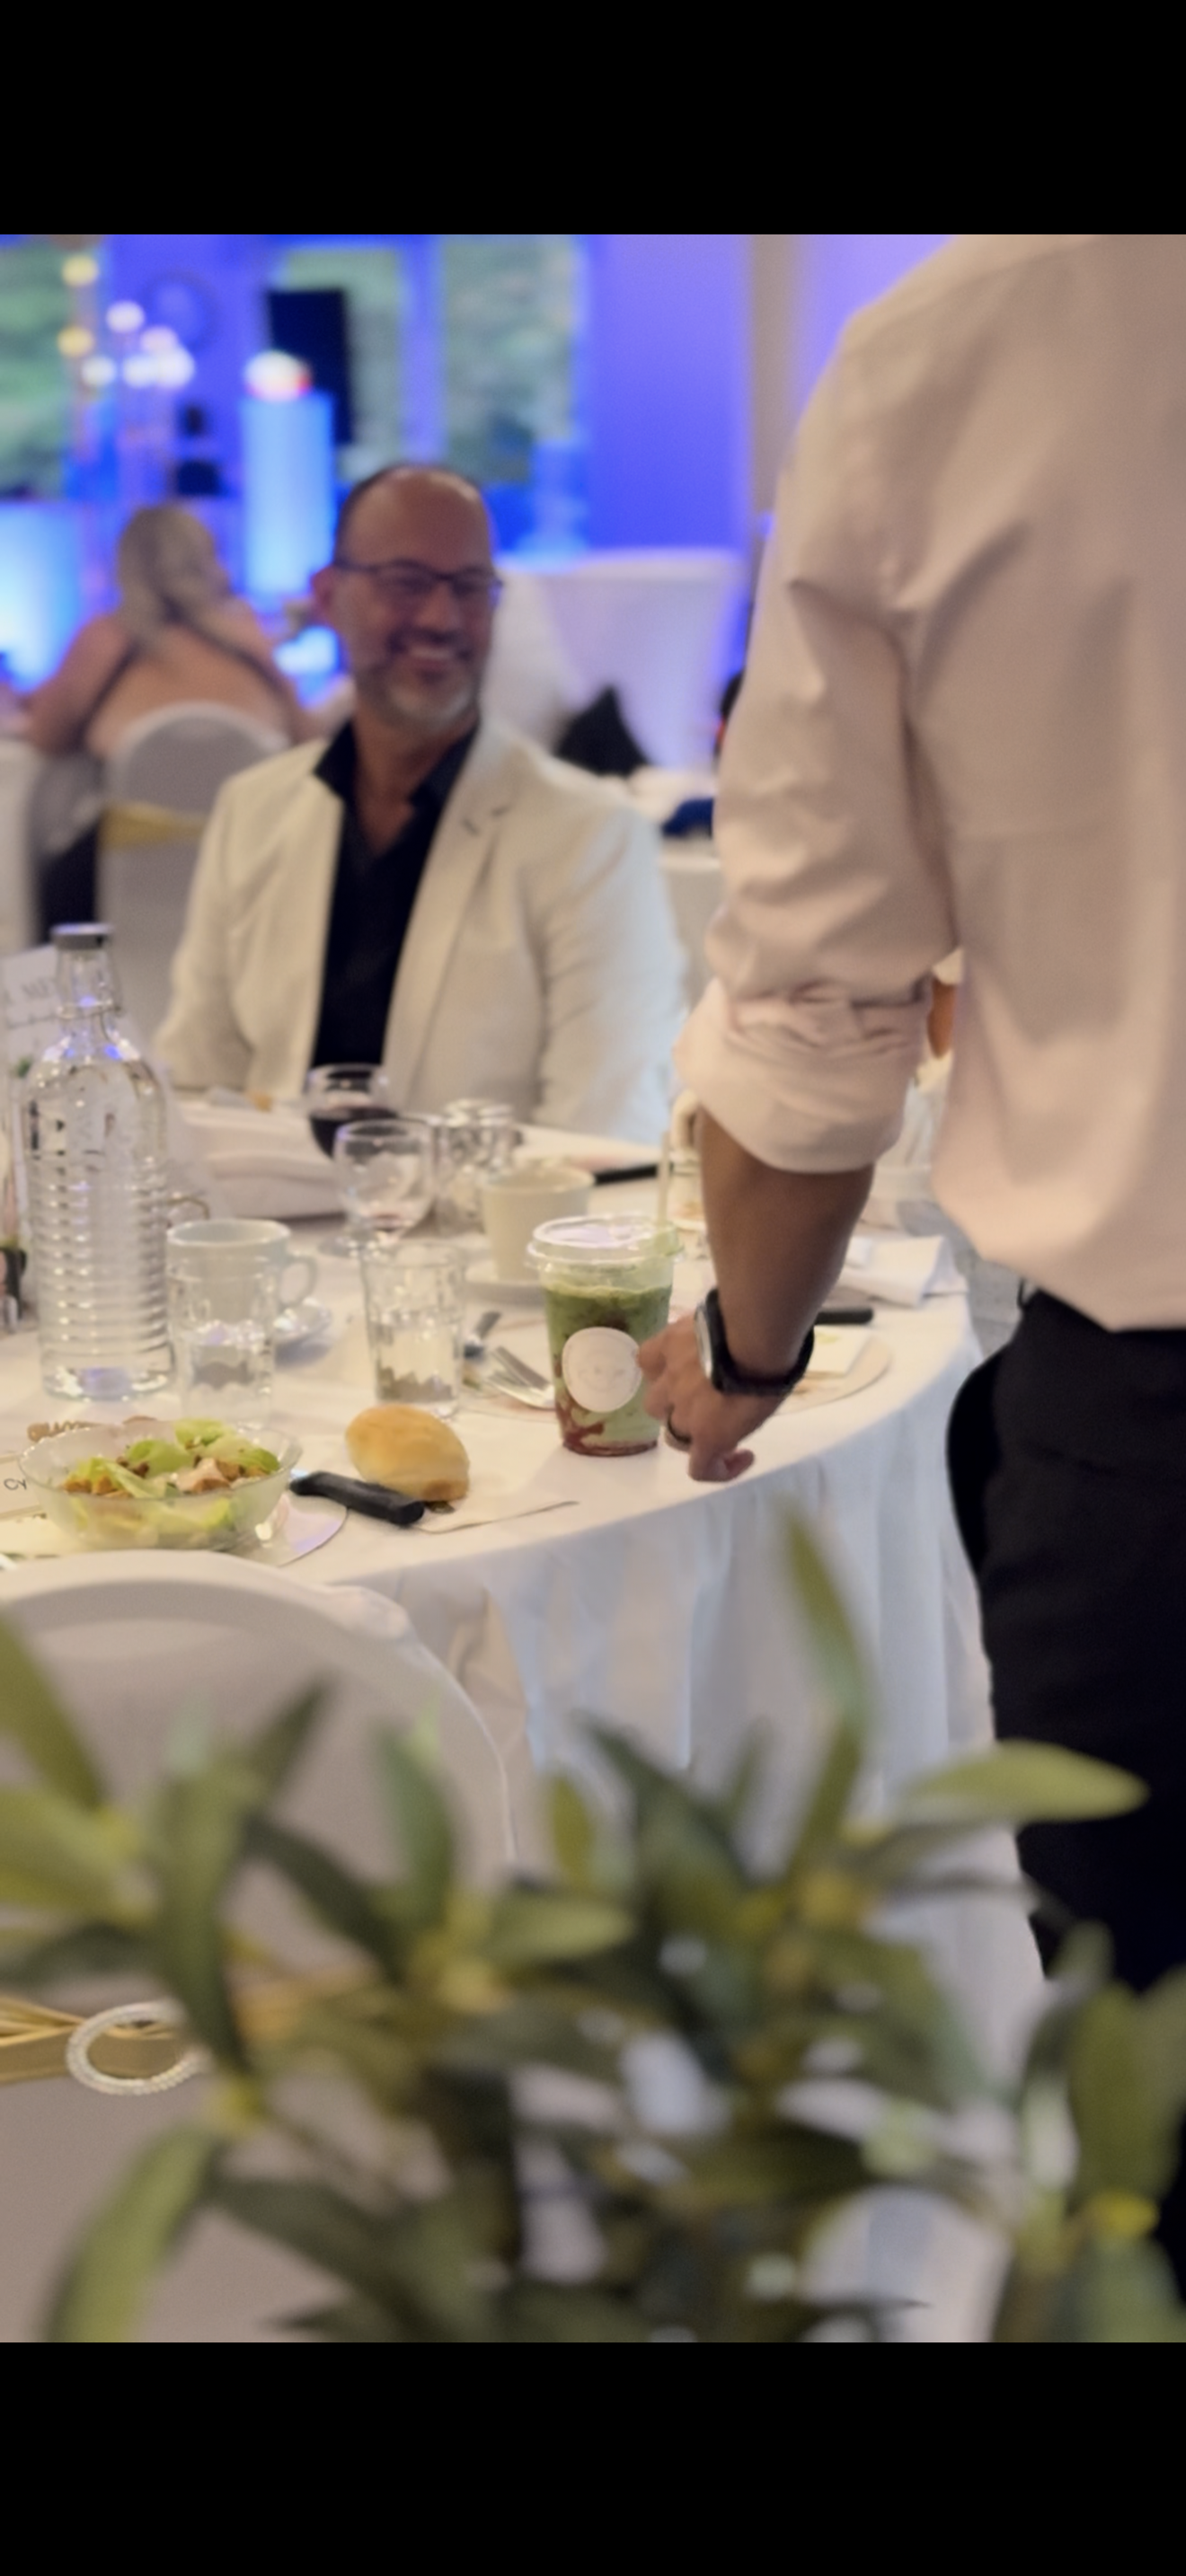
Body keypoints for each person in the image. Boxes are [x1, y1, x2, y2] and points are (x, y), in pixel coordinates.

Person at [639, 235, 1186, 2260]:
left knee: (1163, 2180)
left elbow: (817, 1006)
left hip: (1157, 1457)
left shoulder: (962, 349)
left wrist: (750, 1343)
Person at [157, 465, 682, 1139]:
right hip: (274, 1228)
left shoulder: (590, 837)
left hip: (479, 1239)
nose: (441, 619)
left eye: (469, 589)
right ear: (327, 597)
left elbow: (605, 1133)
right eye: (405, 584)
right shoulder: (252, 810)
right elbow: (201, 1082)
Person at [25, 506, 308, 933]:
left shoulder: (102, 641)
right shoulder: (250, 639)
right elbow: (309, 744)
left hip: (117, 885)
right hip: (256, 872)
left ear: (123, 563)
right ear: (208, 557)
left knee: (53, 875)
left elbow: (44, 738)